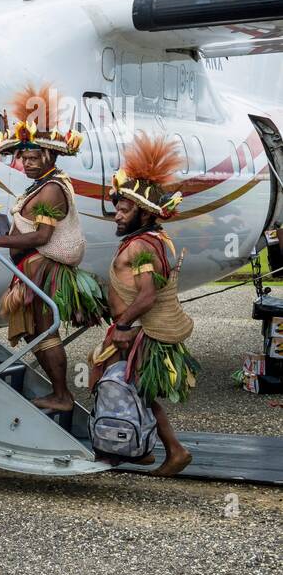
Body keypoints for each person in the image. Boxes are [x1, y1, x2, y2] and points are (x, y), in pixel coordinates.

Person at [0, 84, 108, 411]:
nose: (27, 163)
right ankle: (59, 392)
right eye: (24, 157)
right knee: (37, 333)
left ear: (48, 155)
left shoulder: (51, 190)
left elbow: (41, 238)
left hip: (42, 270)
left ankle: (62, 395)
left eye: (33, 157)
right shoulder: (42, 185)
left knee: (44, 333)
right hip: (32, 270)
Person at [88, 133, 199, 476]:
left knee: (123, 387)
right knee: (131, 390)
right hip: (132, 329)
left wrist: (122, 326)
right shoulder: (152, 239)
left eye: (124, 209)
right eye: (118, 208)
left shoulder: (140, 247)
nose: (117, 216)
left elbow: (148, 294)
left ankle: (161, 449)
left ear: (143, 212)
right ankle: (141, 450)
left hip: (137, 332)